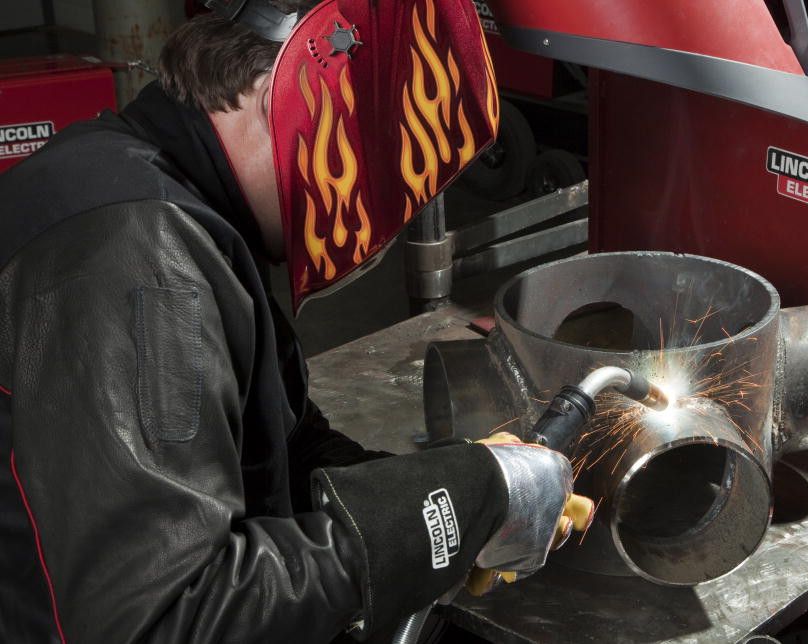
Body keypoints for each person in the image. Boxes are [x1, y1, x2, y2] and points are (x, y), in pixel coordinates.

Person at [0, 0, 592, 641]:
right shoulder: (139, 254)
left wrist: (450, 499)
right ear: (283, 94)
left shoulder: (168, 198)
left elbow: (282, 452)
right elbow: (170, 619)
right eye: (371, 150)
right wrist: (455, 503)